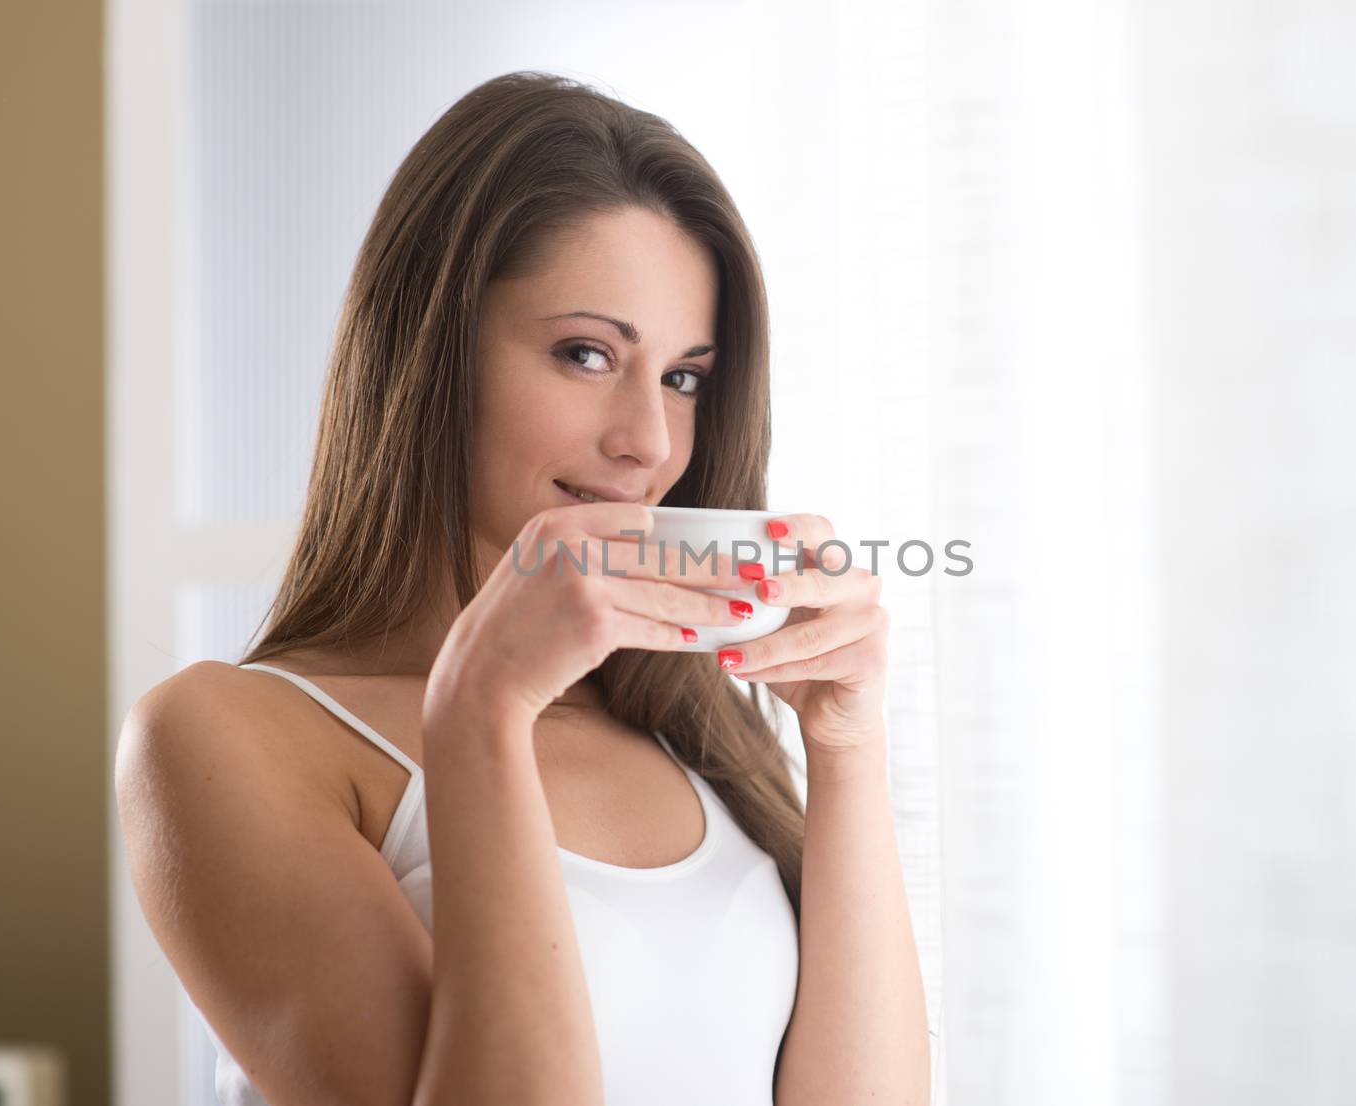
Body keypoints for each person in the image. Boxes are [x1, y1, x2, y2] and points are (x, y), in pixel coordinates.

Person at [115, 70, 929, 1106]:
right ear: (432, 350)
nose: (649, 443)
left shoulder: (694, 729)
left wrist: (847, 746)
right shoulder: (223, 739)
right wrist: (481, 706)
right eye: (586, 353)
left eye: (683, 376)